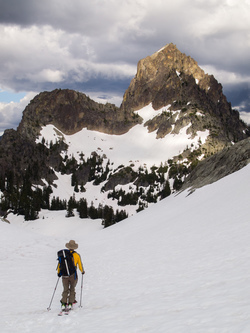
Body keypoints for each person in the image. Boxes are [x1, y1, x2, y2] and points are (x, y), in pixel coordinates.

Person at [57, 240, 85, 310]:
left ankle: (63, 303)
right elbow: (80, 265)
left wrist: (59, 273)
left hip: (64, 275)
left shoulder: (64, 255)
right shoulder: (77, 255)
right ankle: (70, 302)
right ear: (74, 247)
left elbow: (59, 265)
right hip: (73, 275)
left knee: (65, 289)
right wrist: (82, 271)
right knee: (72, 289)